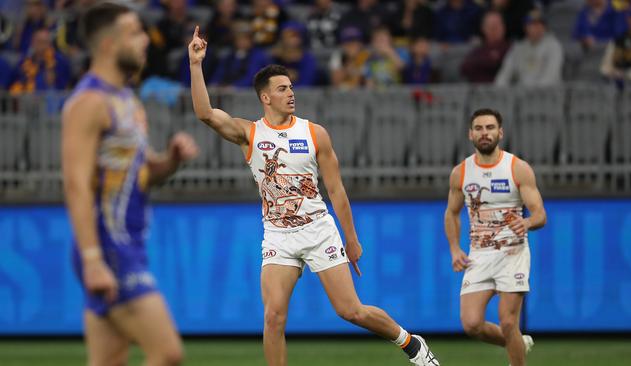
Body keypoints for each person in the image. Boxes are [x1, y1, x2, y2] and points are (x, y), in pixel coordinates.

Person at [188, 26, 440, 366]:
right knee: (273, 317)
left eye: (291, 87)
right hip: (278, 234)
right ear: (266, 97)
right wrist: (195, 64)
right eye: (282, 89)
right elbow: (205, 113)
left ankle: (410, 342)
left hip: (319, 229)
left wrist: (351, 240)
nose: (290, 93)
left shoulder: (314, 133)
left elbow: (336, 190)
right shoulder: (250, 133)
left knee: (351, 311)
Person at [62, 3, 198, 365]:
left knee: (108, 361)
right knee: (168, 354)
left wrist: (170, 160)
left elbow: (140, 174)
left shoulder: (127, 102)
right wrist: (92, 258)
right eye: (136, 32)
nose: (145, 42)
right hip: (108, 247)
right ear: (109, 44)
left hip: (127, 243)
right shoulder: (88, 103)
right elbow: (76, 184)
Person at [444, 108, 547, 366]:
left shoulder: (517, 168)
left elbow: (540, 215)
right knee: (471, 324)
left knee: (508, 321)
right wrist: (455, 249)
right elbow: (452, 214)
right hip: (479, 255)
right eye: (478, 128)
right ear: (470, 134)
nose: (484, 133)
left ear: (500, 132)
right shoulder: (461, 172)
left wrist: (528, 222)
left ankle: (516, 354)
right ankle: (517, 342)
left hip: (513, 253)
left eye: (490, 127)